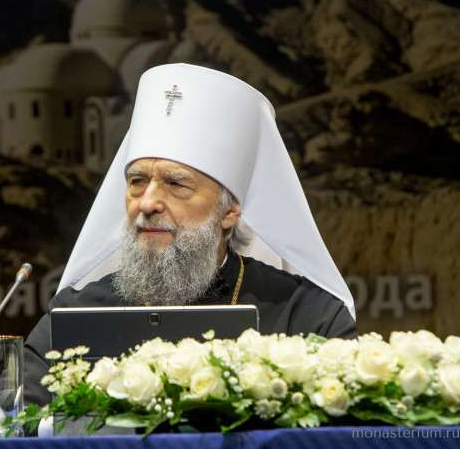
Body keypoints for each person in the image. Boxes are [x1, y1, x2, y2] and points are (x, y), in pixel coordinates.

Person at [23, 63, 357, 408]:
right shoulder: (73, 315)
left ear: (229, 211)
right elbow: (15, 419)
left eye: (176, 184)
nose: (147, 203)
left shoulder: (305, 316)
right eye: (137, 181)